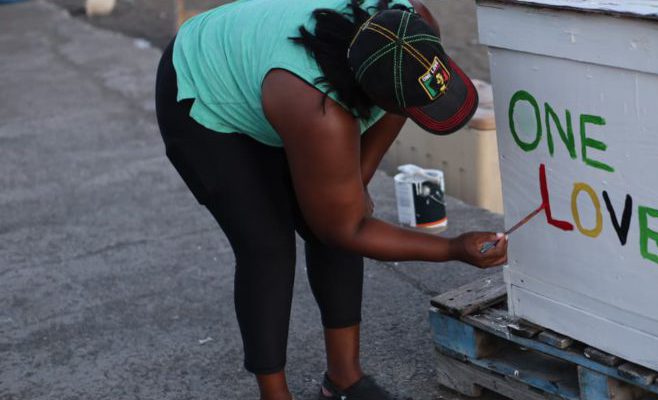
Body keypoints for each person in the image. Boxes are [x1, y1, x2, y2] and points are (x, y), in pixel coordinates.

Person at [153, 0, 508, 399]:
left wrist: (358, 179)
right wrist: (453, 248)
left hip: (267, 73)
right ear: (375, 95)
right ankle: (275, 395)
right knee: (268, 248)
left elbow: (398, 110)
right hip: (202, 89)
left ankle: (344, 379)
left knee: (336, 212)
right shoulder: (322, 113)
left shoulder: (412, 24)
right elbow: (346, 229)